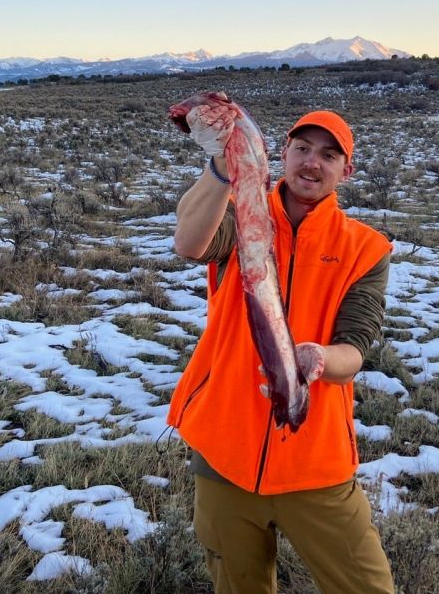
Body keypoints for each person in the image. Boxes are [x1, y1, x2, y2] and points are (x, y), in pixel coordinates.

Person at [167, 110, 395, 594]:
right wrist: (223, 166)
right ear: (284, 154)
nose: (312, 163)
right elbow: (188, 244)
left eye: (329, 155)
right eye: (303, 149)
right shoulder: (241, 214)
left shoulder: (365, 249)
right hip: (225, 449)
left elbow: (355, 347)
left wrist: (318, 362)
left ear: (345, 171)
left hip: (316, 459)